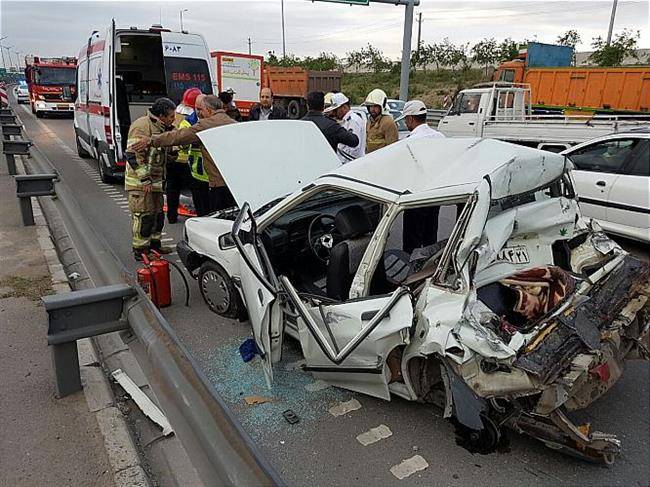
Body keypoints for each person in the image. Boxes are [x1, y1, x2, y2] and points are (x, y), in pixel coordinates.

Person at [130, 95, 238, 213]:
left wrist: (151, 140)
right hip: (233, 181)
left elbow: (179, 136)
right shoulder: (233, 123)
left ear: (209, 110)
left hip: (218, 183)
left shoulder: (206, 124)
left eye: (201, 110)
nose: (199, 114)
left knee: (218, 220)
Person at [124, 97, 176, 261]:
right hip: (141, 183)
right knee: (144, 216)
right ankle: (140, 250)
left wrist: (172, 154)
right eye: (171, 116)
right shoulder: (141, 126)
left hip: (156, 182)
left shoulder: (161, 127)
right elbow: (133, 154)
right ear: (161, 115)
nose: (173, 119)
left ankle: (155, 245)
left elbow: (157, 155)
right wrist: (145, 179)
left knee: (158, 215)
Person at [398, 100, 446, 254]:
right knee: (430, 236)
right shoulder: (441, 137)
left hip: (416, 197)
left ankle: (412, 272)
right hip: (434, 195)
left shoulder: (410, 142)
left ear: (411, 119)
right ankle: (428, 268)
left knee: (412, 241)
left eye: (406, 119)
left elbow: (405, 170)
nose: (406, 122)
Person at [166, 88, 201, 223]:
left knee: (172, 190)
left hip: (172, 159)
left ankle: (172, 217)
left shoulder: (175, 114)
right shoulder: (192, 119)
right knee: (196, 191)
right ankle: (200, 220)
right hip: (187, 161)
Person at [175, 89, 211, 217]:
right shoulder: (188, 122)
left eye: (201, 108)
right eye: (197, 108)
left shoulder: (213, 120)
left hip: (212, 174)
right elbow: (182, 143)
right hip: (197, 172)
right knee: (201, 208)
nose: (199, 111)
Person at [324, 92, 366, 162]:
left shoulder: (353, 120)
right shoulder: (345, 120)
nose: (334, 113)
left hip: (352, 162)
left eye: (335, 110)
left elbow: (354, 148)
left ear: (344, 107)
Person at [363, 88, 398, 153]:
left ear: (382, 106)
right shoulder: (369, 121)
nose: (372, 109)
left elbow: (392, 148)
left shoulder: (388, 122)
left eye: (375, 106)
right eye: (370, 106)